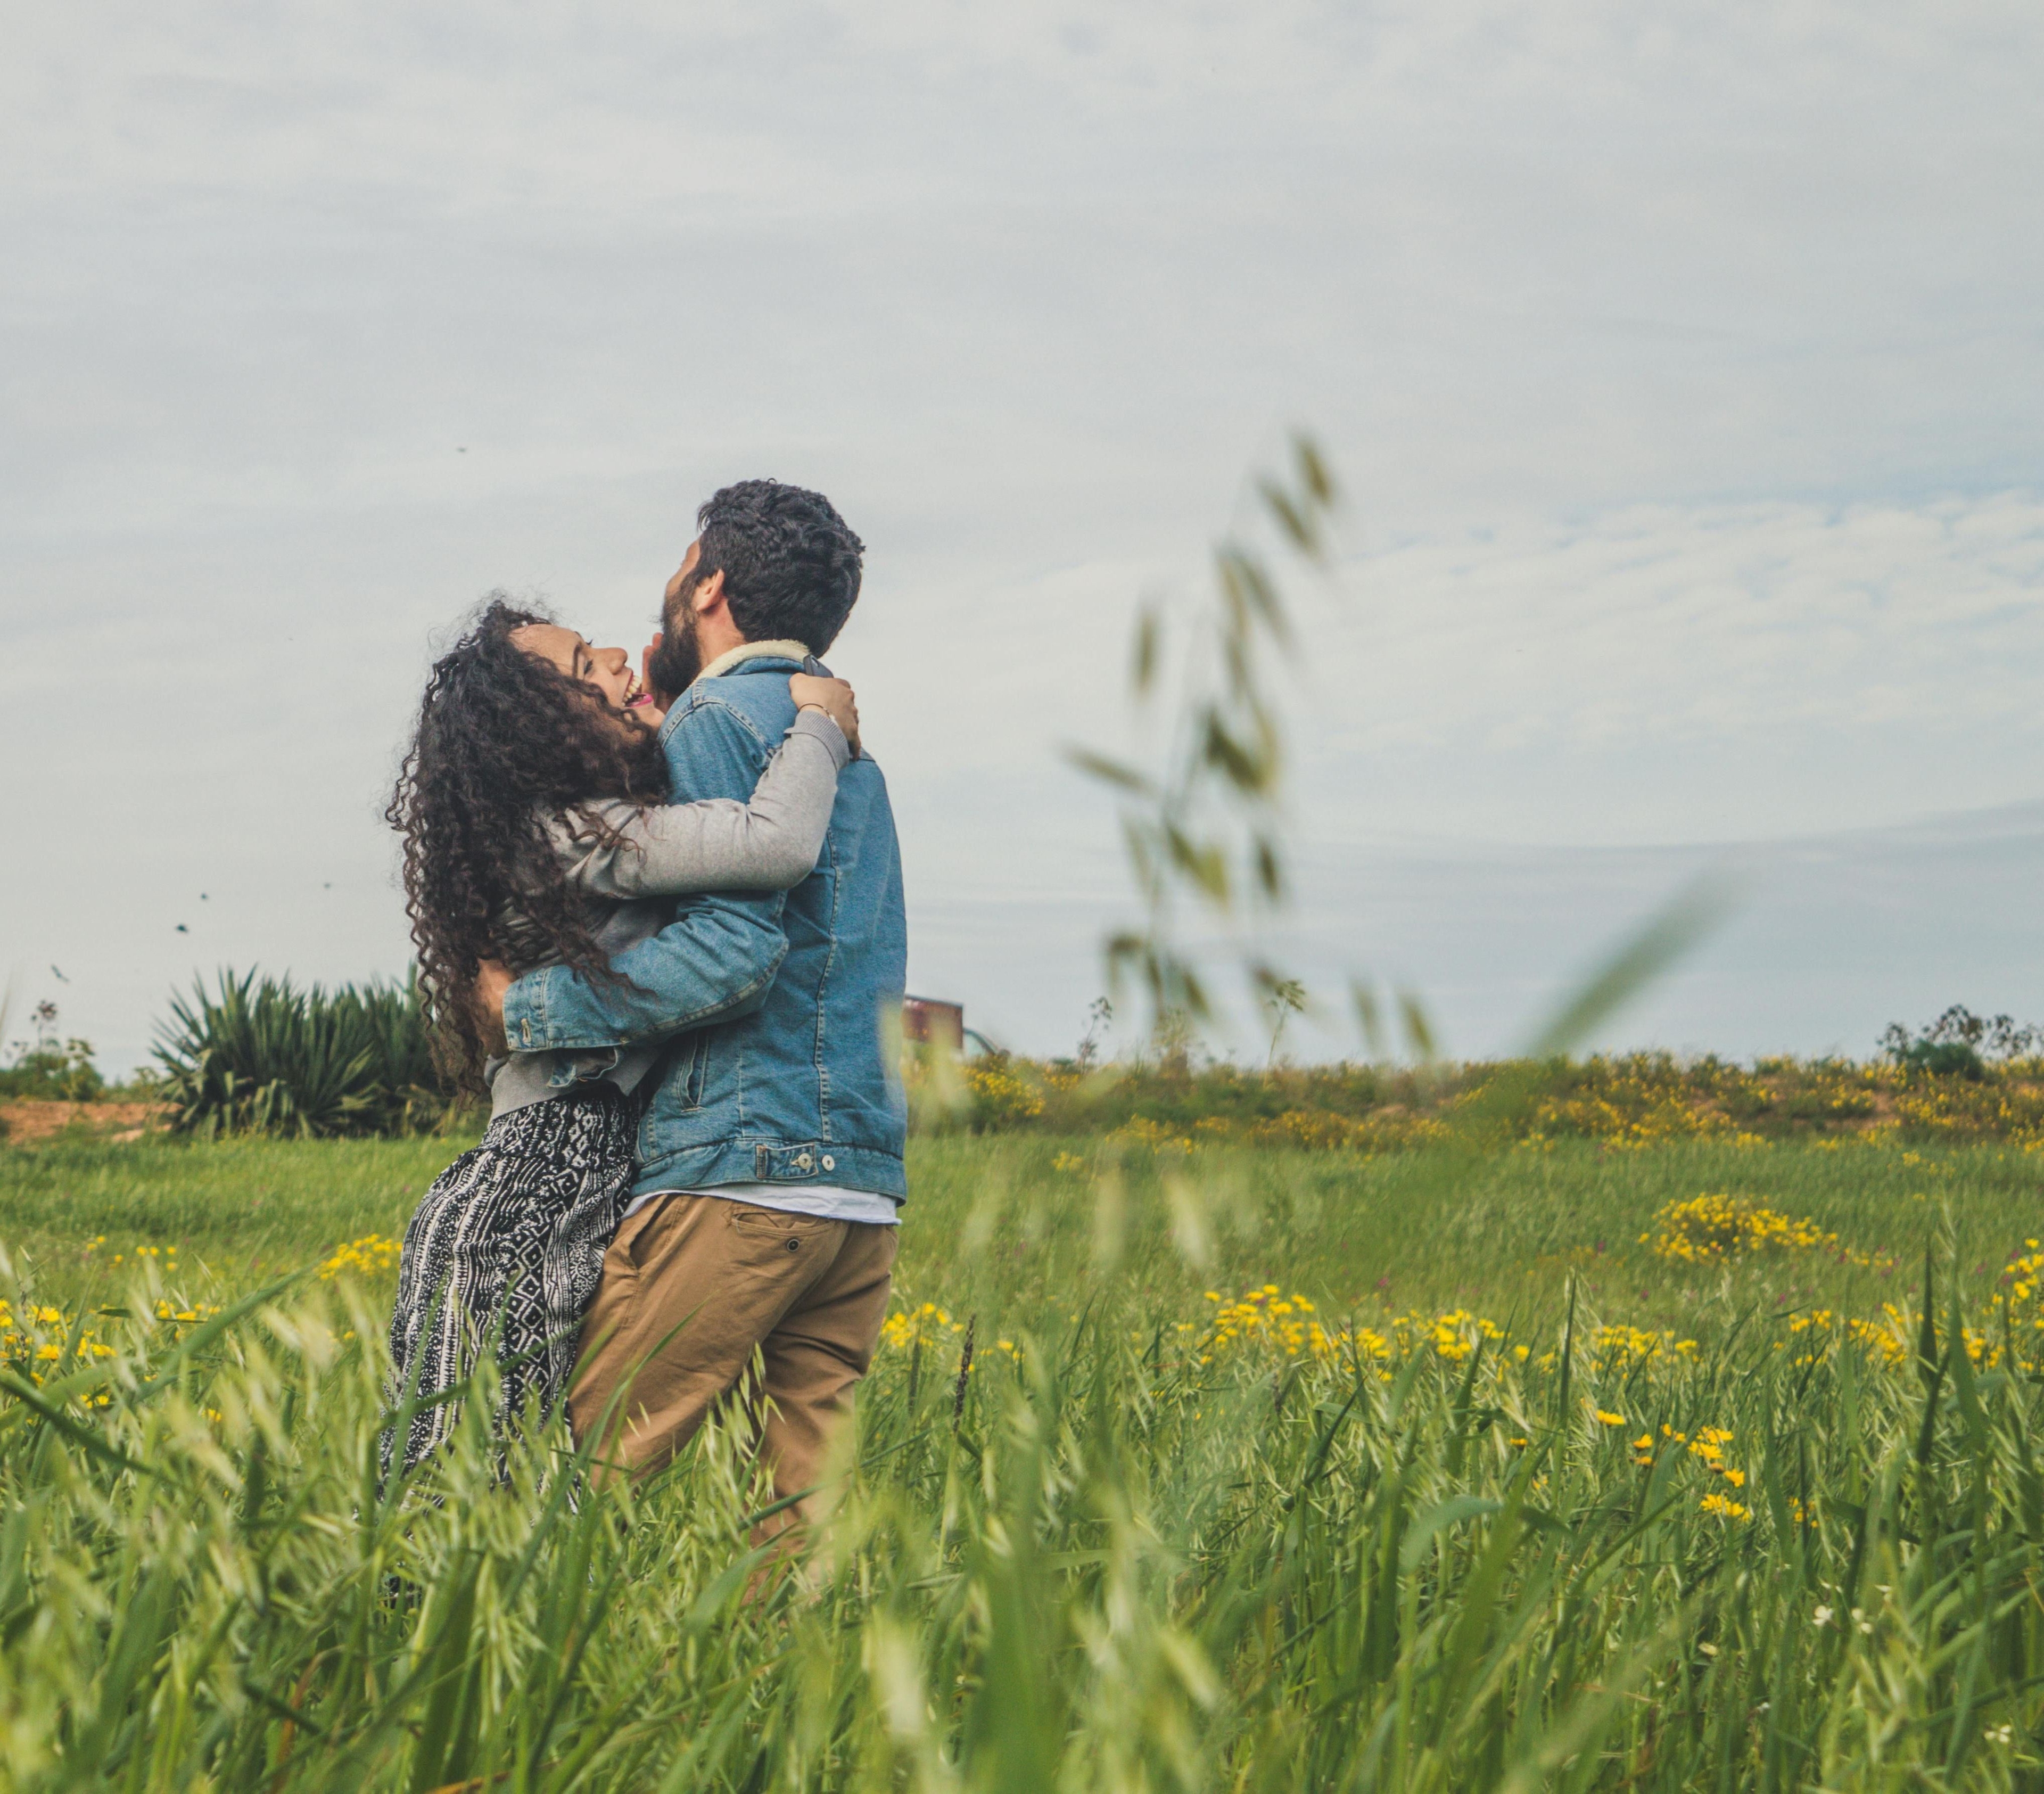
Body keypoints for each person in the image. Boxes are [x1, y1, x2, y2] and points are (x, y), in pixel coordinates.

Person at [479, 480, 907, 1535]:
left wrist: (525, 1010)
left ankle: (516, 1696)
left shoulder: (716, 717)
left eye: (682, 564)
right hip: (859, 1189)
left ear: (708, 582)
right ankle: (796, 1702)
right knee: (799, 1520)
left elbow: (736, 948)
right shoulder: (849, 746)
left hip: (741, 1169)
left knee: (579, 1483)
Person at [383, 595, 861, 1477]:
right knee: (480, 1476)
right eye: (583, 665)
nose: (612, 656)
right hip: (540, 1174)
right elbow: (771, 843)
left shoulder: (580, 819)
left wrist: (668, 690)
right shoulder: (574, 828)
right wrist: (821, 729)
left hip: (560, 1160)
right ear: (537, 724)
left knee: (489, 1466)